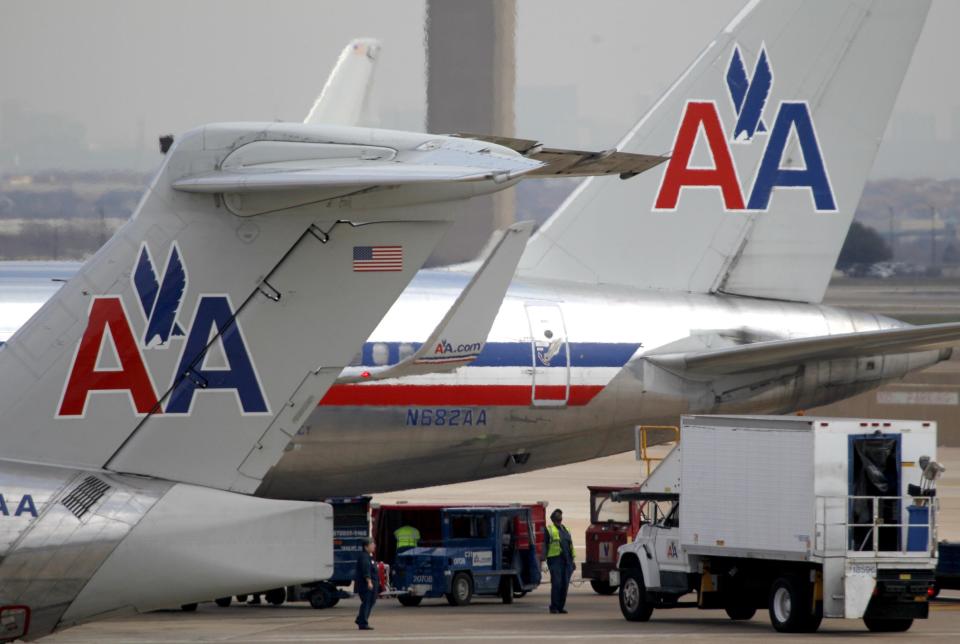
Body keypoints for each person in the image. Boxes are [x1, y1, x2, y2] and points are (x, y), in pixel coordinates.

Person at [544, 508, 575, 614]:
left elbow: (570, 546)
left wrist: (572, 561)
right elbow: (545, 546)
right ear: (553, 519)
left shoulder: (566, 529)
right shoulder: (549, 530)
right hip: (555, 560)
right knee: (557, 584)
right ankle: (554, 607)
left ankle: (561, 607)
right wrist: (543, 560)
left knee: (564, 585)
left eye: (560, 517)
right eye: (557, 517)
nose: (559, 519)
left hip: (567, 561)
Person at [354, 539, 378, 630]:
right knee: (367, 602)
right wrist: (369, 582)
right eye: (372, 544)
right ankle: (363, 623)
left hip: (371, 584)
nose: (374, 545)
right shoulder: (364, 557)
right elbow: (366, 570)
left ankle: (360, 619)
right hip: (366, 585)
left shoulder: (369, 556)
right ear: (366, 547)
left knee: (371, 601)